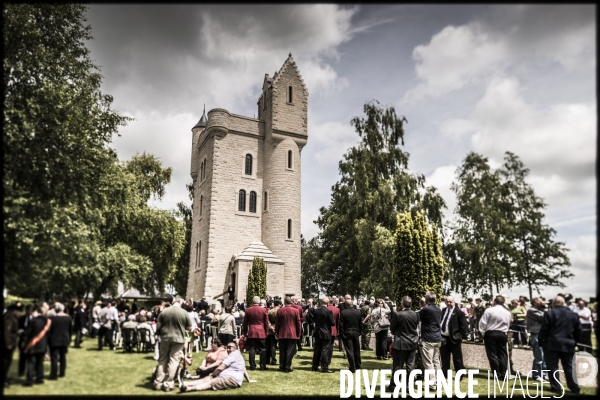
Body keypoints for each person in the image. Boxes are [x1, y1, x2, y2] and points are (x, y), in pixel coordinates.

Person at [539, 295, 582, 395]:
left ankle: (555, 387)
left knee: (553, 367)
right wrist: (575, 341)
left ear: (554, 303)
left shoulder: (549, 313)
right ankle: (574, 387)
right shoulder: (574, 315)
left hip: (552, 343)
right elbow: (579, 331)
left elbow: (544, 329)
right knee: (569, 366)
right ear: (564, 303)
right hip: (568, 343)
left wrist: (541, 341)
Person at [153, 296, 192, 392]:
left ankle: (158, 383)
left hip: (165, 338)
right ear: (180, 303)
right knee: (174, 361)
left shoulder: (164, 311)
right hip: (178, 339)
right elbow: (190, 328)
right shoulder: (184, 312)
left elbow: (158, 326)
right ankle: (168, 384)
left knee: (162, 360)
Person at [180, 342, 254, 392]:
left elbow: (221, 367)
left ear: (235, 348)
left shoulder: (233, 354)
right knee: (207, 378)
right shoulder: (238, 355)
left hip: (232, 379)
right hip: (226, 376)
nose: (228, 349)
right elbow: (243, 369)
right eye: (227, 347)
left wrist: (213, 374)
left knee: (212, 381)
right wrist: (248, 380)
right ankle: (186, 383)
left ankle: (189, 388)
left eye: (230, 347)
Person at [389, 296, 419, 392]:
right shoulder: (416, 314)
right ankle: (409, 387)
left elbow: (392, 328)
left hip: (401, 342)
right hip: (412, 342)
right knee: (411, 366)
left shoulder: (398, 315)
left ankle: (394, 386)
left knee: (398, 366)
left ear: (402, 304)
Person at [479, 295, 512, 380]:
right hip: (502, 333)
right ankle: (503, 373)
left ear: (494, 302)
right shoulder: (507, 312)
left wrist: (482, 332)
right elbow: (508, 324)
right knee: (503, 354)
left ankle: (496, 373)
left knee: (493, 355)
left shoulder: (489, 310)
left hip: (491, 333)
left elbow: (483, 322)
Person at [419, 291, 443, 391]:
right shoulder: (439, 310)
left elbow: (418, 318)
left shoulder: (425, 310)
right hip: (438, 338)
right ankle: (438, 382)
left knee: (428, 363)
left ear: (427, 299)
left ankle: (432, 385)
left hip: (428, 338)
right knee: (436, 362)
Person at [439, 296, 468, 378]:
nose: (449, 303)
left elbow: (463, 326)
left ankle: (460, 374)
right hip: (444, 337)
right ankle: (445, 374)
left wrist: (460, 337)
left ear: (454, 302)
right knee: (444, 357)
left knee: (457, 358)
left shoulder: (459, 313)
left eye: (450, 302)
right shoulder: (444, 310)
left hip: (454, 339)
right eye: (447, 302)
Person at [23, 306, 51, 386]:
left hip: (34, 344)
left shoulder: (33, 321)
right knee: (40, 363)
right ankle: (39, 379)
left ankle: (30, 380)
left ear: (36, 312)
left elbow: (27, 332)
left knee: (31, 363)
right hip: (43, 344)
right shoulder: (46, 320)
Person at [308, 297, 335, 373]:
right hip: (326, 332)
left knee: (317, 350)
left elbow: (314, 320)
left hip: (317, 332)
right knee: (325, 350)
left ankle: (314, 366)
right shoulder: (329, 311)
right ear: (327, 303)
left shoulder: (316, 311)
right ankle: (324, 367)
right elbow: (332, 323)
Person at [241, 296, 269, 371]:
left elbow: (245, 323)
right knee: (262, 349)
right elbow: (266, 322)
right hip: (261, 331)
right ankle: (262, 366)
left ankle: (252, 365)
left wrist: (244, 332)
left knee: (251, 349)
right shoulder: (264, 310)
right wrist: (266, 331)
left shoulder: (248, 310)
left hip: (252, 331)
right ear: (259, 302)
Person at [275, 296, 301, 372]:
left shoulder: (280, 311)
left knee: (282, 350)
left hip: (282, 332)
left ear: (284, 301)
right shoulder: (295, 311)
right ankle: (287, 366)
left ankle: (282, 366)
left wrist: (276, 332)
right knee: (290, 351)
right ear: (291, 302)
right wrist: (298, 333)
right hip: (292, 332)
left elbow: (277, 323)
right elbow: (298, 323)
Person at [48, 302, 72, 380]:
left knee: (54, 358)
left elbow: (50, 330)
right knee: (63, 357)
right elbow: (70, 330)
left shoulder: (52, 319)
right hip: (65, 339)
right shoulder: (68, 318)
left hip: (54, 339)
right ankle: (62, 373)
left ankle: (54, 375)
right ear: (63, 309)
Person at [339, 298, 362, 373]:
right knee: (357, 349)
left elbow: (341, 324)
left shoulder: (343, 312)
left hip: (347, 332)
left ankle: (352, 366)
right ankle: (358, 365)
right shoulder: (358, 312)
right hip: (355, 332)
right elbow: (360, 323)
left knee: (349, 350)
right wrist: (359, 332)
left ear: (346, 305)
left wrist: (342, 333)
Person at [526, 297, 546, 381]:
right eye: (540, 300)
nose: (542, 302)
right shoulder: (531, 310)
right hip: (536, 334)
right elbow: (544, 317)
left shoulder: (541, 310)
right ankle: (537, 375)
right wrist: (545, 307)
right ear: (535, 302)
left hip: (544, 334)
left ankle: (543, 374)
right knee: (539, 355)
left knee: (545, 356)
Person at [3, 304, 23, 387]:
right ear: (14, 310)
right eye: (19, 311)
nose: (20, 313)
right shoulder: (9, 318)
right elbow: (6, 332)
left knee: (7, 362)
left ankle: (5, 377)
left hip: (10, 343)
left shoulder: (11, 317)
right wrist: (8, 344)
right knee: (5, 362)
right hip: (7, 344)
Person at [326, 298, 341, 364]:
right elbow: (338, 321)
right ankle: (329, 359)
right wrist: (337, 330)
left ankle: (323, 359)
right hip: (333, 329)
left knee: (324, 346)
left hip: (325, 329)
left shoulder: (325, 309)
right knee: (331, 345)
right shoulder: (337, 310)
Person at [266, 300, 280, 365]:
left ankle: (273, 359)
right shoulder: (280, 311)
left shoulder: (270, 311)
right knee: (281, 346)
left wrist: (271, 327)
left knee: (272, 345)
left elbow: (267, 321)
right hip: (279, 328)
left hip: (272, 328)